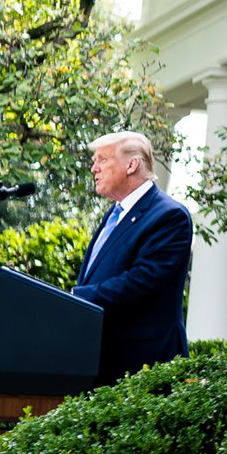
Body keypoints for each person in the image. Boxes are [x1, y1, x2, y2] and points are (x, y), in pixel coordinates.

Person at [71, 130, 193, 387]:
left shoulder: (170, 216)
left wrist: (75, 299)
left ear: (131, 165)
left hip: (142, 366)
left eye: (102, 159)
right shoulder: (114, 215)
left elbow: (141, 280)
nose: (94, 168)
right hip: (100, 362)